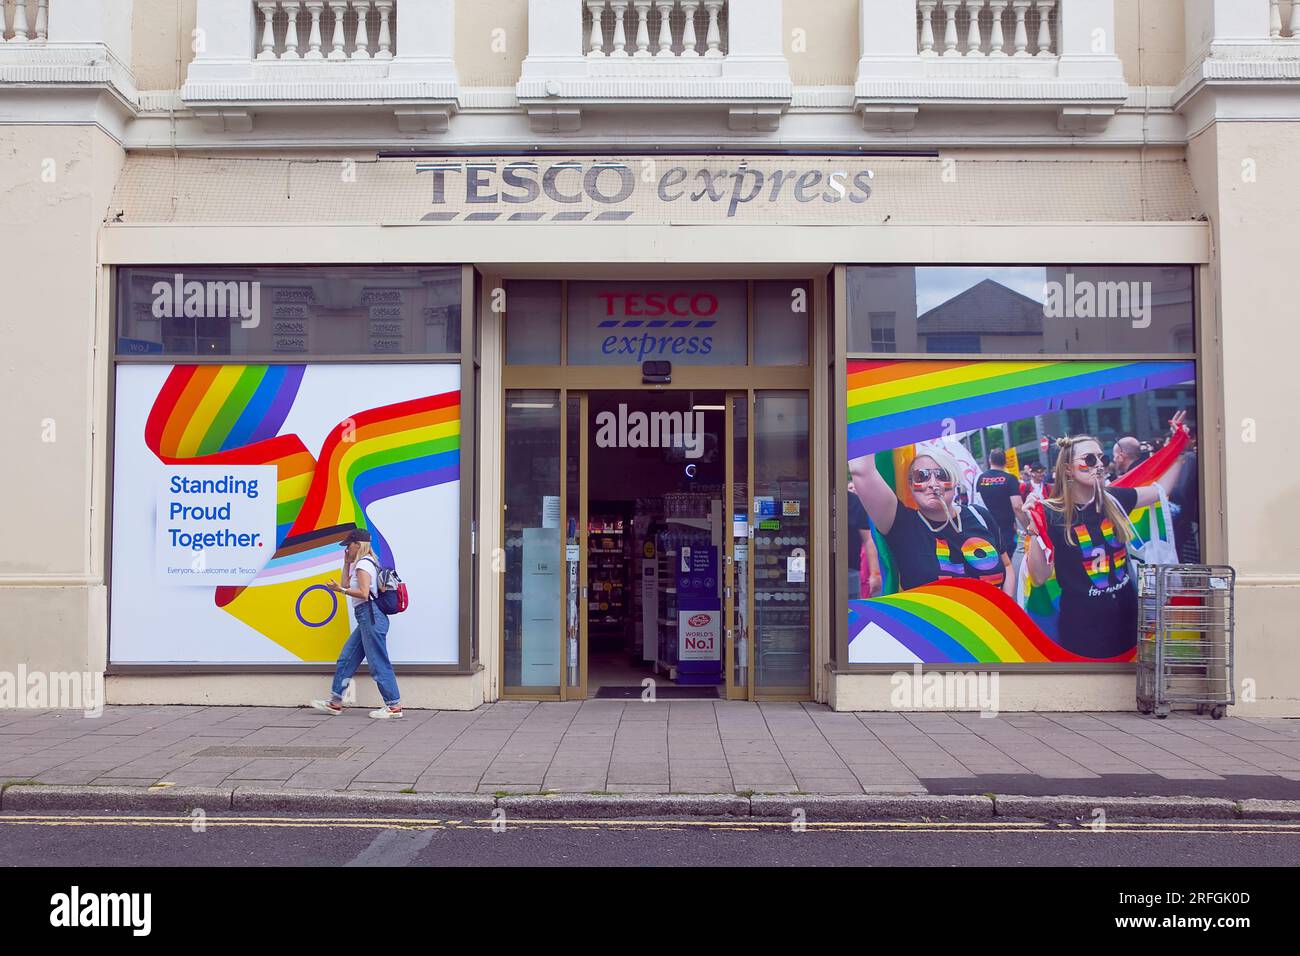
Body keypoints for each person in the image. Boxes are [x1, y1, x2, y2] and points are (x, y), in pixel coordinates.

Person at [1024, 413, 1186, 658]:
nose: (1099, 464)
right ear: (1068, 468)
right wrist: (1034, 530)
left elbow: (1159, 491)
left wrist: (1178, 449)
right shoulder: (1050, 512)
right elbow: (1039, 577)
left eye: (1102, 457)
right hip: (1083, 631)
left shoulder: (1114, 498)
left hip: (1128, 620)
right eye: (1089, 459)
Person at [850, 446, 1015, 597]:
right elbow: (861, 470)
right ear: (911, 484)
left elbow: (1006, 565)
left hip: (988, 626)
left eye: (942, 475)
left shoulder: (980, 515)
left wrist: (1007, 611)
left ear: (955, 480)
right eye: (921, 476)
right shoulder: (901, 524)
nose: (933, 484)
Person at [310, 528, 403, 719]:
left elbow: (363, 593)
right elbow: (345, 583)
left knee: (378, 662)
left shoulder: (363, 565)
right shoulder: (363, 564)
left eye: (348, 546)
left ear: (357, 545)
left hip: (370, 616)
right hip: (367, 617)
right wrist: (346, 565)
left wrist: (341, 590)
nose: (346, 549)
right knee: (347, 658)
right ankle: (335, 703)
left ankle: (393, 706)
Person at [975, 449, 1023, 561]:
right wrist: (1027, 526)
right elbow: (1017, 506)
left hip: (986, 526)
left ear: (990, 460)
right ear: (1005, 461)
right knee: (1006, 558)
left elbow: (976, 501)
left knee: (992, 559)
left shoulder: (980, 479)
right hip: (1006, 527)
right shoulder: (1010, 479)